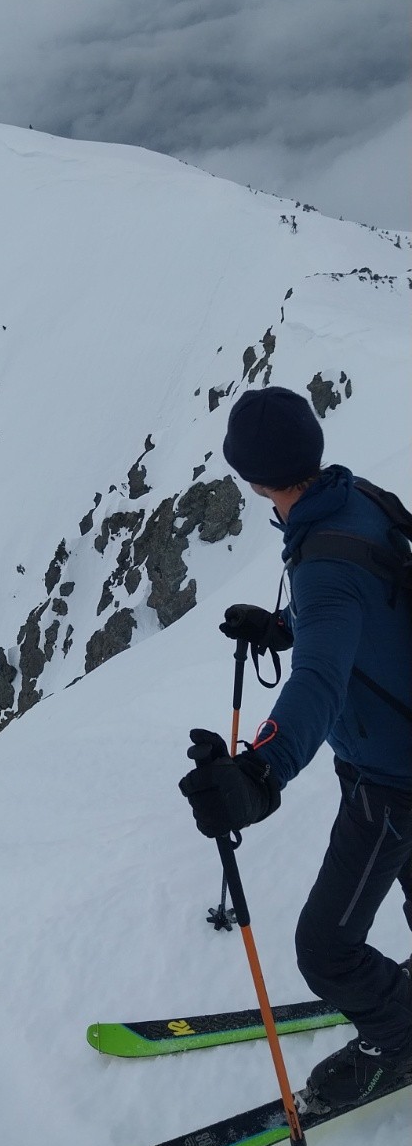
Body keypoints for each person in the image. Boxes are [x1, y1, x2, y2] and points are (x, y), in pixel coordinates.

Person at [179, 385, 412, 1107]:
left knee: (326, 949)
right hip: (400, 739)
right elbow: (374, 606)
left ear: (254, 480)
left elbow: (317, 683)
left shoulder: (324, 563)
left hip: (393, 775)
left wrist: (259, 772)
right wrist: (286, 628)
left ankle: (400, 1042)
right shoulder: (357, 498)